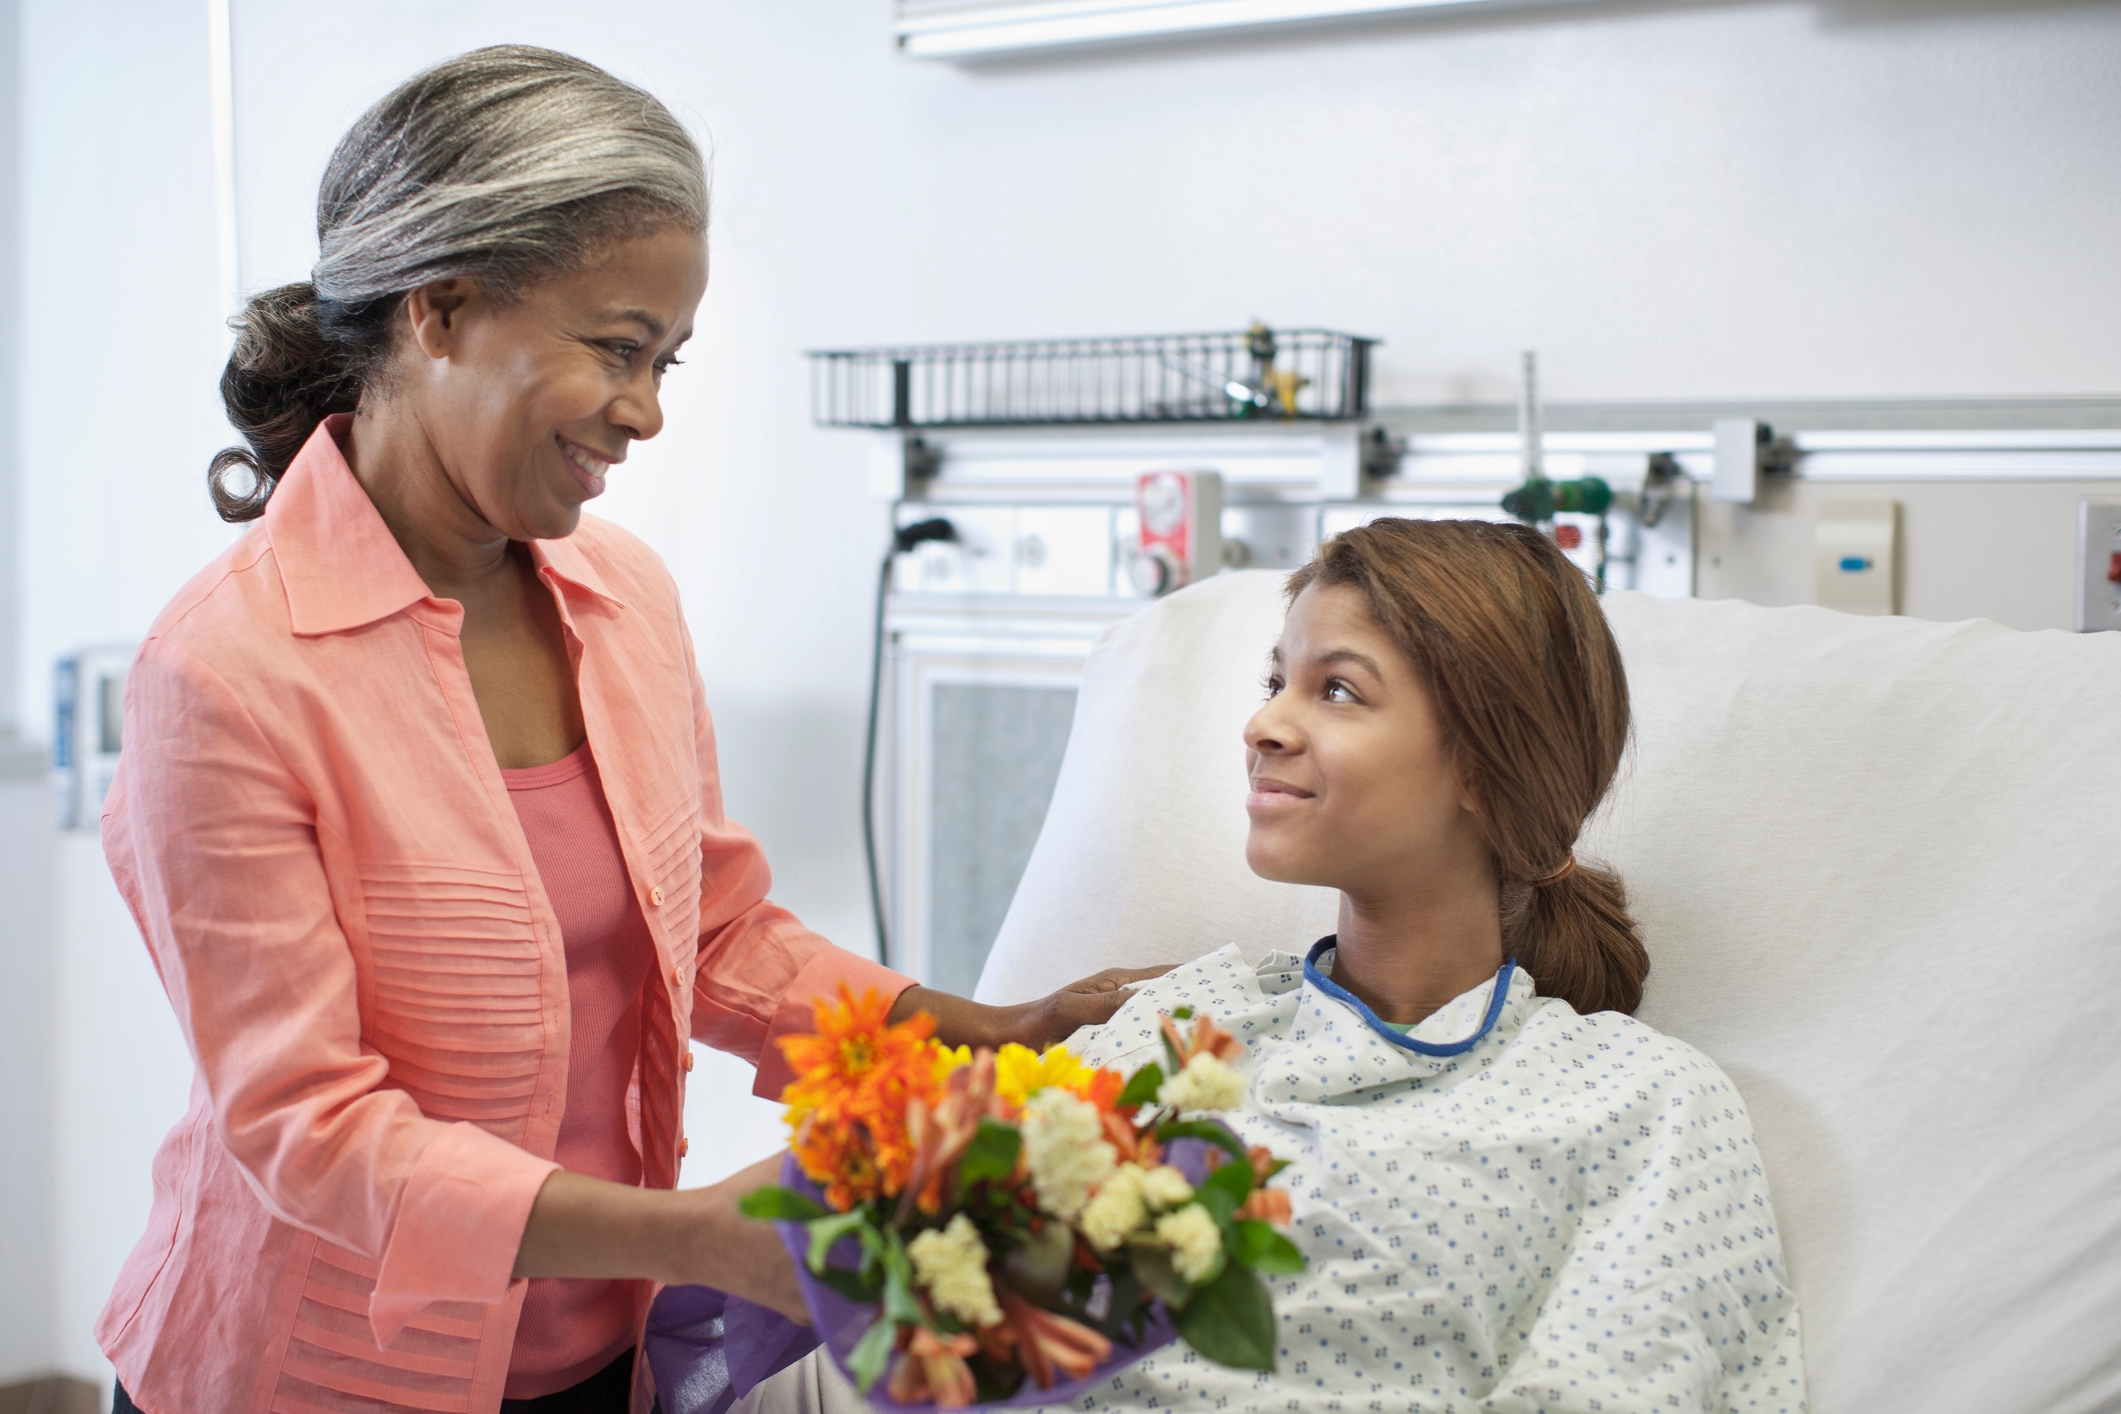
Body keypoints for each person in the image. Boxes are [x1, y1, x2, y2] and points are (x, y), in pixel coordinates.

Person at [98, 46, 1154, 1414]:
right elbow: (306, 1127)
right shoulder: (228, 672)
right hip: (313, 1378)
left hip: (602, 1358)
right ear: (441, 307)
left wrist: (983, 1027)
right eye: (616, 347)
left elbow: (711, 930)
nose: (646, 411)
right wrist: (698, 1235)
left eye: (666, 359)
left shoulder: (621, 597)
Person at [745, 517, 1805, 1414]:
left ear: (1487, 763)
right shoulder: (1184, 1021)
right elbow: (916, 1301)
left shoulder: (1641, 1105)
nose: (1264, 724)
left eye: (1337, 691)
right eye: (1275, 680)